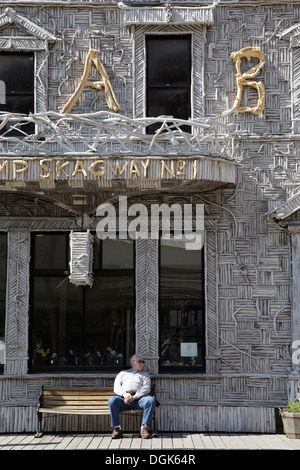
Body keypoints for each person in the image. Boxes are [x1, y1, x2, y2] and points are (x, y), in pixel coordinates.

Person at [108, 353, 156, 439]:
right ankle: (117, 428)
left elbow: (146, 389)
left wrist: (134, 397)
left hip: (139, 400)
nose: (142, 363)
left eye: (143, 362)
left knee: (151, 400)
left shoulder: (145, 375)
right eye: (140, 361)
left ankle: (144, 428)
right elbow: (116, 387)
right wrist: (125, 394)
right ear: (133, 362)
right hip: (124, 399)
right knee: (112, 400)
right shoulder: (123, 373)